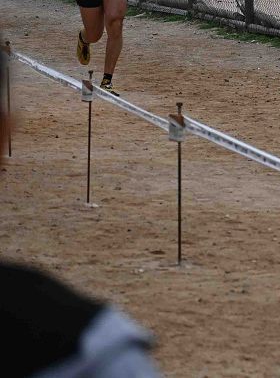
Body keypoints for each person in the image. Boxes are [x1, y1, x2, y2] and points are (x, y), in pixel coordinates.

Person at [0, 41, 162, 377]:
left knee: (115, 18)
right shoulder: (91, 347)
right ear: (6, 132)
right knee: (94, 28)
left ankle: (107, 77)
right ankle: (86, 38)